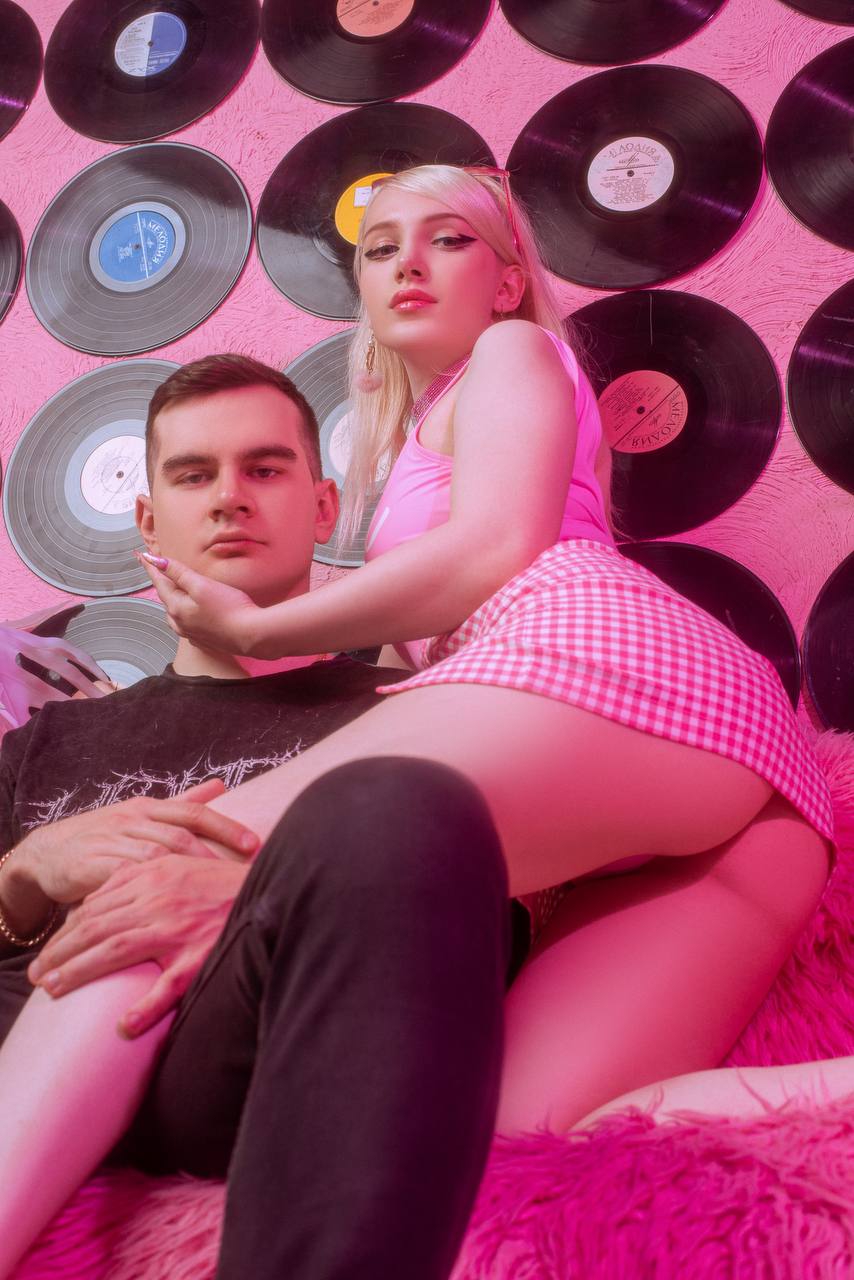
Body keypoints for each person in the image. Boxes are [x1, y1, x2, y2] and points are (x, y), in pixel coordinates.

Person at [0, 166, 834, 1275]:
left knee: (156, 873)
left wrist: (260, 621)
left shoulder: (511, 353)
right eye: (381, 246)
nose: (406, 263)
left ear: (507, 281)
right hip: (753, 782)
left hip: (607, 657)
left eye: (447, 238)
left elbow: (492, 550)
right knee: (523, 1129)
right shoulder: (437, 433)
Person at [0, 355, 511, 1280]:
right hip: (20, 1038)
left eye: (264, 469)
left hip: (242, 1054)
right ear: (147, 518)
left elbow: (478, 935)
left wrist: (273, 896)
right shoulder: (42, 744)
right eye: (193, 475)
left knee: (398, 803)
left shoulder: (414, 710)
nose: (229, 497)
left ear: (323, 507)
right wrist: (25, 871)